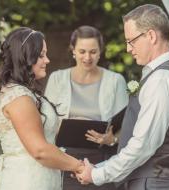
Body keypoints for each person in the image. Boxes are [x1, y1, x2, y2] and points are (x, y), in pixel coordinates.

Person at [76, 4, 169, 190]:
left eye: (131, 41)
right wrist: (99, 168)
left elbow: (143, 145)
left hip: (156, 183)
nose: (128, 48)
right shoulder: (168, 74)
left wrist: (97, 174)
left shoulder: (161, 80)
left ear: (151, 36)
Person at [0, 27, 84, 190]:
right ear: (25, 57)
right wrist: (79, 166)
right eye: (41, 55)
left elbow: (45, 134)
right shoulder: (18, 96)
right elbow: (40, 150)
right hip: (26, 182)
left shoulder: (26, 93)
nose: (47, 60)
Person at [44, 25, 128, 190]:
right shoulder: (57, 79)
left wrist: (111, 140)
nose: (87, 57)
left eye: (93, 52)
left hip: (103, 162)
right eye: (82, 52)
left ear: (101, 51)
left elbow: (125, 126)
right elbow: (46, 122)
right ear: (73, 50)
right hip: (65, 161)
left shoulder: (115, 81)